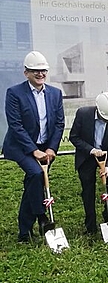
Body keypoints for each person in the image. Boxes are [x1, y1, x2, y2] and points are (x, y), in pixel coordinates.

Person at [3, 51, 65, 243]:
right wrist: (33, 150)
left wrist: (51, 148)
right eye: (35, 71)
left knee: (33, 183)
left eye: (43, 70)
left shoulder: (55, 93)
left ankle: (24, 233)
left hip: (46, 149)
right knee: (36, 175)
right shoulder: (14, 93)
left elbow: (59, 124)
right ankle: (41, 216)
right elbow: (16, 125)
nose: (40, 74)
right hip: (21, 147)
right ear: (26, 73)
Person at [69, 92, 108, 234]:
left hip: (106, 157)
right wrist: (91, 150)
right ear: (98, 110)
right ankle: (90, 224)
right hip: (86, 157)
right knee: (88, 190)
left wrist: (107, 166)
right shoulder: (83, 114)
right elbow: (74, 137)